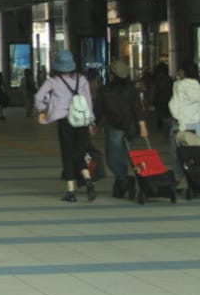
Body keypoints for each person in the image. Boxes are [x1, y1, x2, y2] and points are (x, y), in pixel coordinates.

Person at [34, 49, 96, 203]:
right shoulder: (81, 80)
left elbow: (38, 96)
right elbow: (88, 101)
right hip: (81, 120)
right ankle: (87, 178)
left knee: (68, 154)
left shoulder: (52, 81)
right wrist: (91, 121)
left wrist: (42, 110)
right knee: (80, 152)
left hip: (65, 121)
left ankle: (71, 192)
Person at [94, 59, 147, 198]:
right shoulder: (116, 90)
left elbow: (137, 108)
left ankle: (123, 182)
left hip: (123, 128)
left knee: (115, 160)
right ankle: (123, 183)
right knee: (118, 160)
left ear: (112, 74)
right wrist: (142, 126)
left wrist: (142, 126)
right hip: (123, 128)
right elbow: (99, 110)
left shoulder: (118, 90)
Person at [168, 60, 200, 180]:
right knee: (196, 153)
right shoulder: (198, 85)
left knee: (176, 153)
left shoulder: (179, 85)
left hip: (181, 125)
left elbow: (174, 106)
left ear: (183, 71)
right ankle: (195, 178)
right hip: (197, 125)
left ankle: (180, 178)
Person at [151, 62, 173, 137]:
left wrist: (152, 100)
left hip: (160, 101)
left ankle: (165, 130)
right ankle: (166, 131)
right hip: (168, 100)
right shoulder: (170, 79)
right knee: (166, 116)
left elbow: (155, 90)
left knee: (162, 116)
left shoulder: (158, 79)